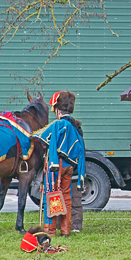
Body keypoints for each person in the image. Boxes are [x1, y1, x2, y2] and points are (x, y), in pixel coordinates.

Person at [31, 90, 86, 237]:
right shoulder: (76, 126)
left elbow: (39, 135)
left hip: (56, 167)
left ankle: (50, 231)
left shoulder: (58, 124)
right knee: (66, 197)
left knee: (52, 195)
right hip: (70, 167)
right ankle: (66, 230)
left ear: (57, 109)